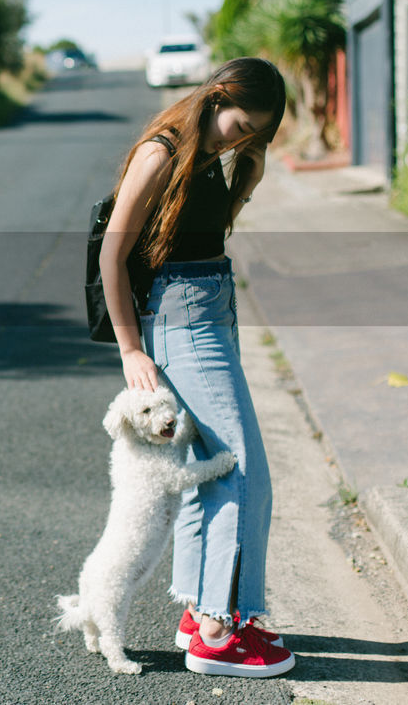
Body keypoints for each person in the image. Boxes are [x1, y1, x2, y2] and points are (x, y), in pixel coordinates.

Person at [98, 57, 294, 678]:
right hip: (183, 317)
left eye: (257, 133)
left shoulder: (209, 154)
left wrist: (246, 180)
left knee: (212, 462)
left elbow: (198, 235)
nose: (244, 138)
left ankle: (197, 613)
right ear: (215, 97)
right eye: (242, 125)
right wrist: (131, 349)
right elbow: (114, 251)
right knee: (242, 468)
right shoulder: (162, 152)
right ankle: (221, 630)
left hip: (209, 306)